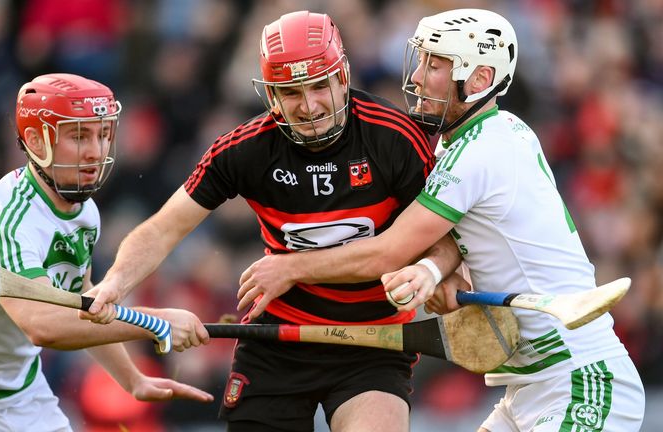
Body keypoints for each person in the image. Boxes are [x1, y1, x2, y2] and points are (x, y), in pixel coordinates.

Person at [237, 8, 646, 432]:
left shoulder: (477, 154)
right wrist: (432, 271)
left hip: (580, 380)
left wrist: (289, 267)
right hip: (527, 388)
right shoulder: (488, 135)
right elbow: (460, 239)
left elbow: (389, 250)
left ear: (479, 80)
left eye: (434, 65)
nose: (415, 78)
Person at [81, 10, 462, 432]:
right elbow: (162, 228)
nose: (310, 105)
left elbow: (445, 241)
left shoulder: (396, 137)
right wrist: (114, 284)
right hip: (278, 341)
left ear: (343, 77)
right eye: (292, 92)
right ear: (271, 95)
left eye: (320, 86)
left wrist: (436, 269)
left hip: (372, 343)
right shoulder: (245, 149)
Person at [0, 73, 213, 431]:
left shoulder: (84, 212)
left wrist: (132, 380)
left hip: (18, 391)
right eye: (79, 136)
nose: (97, 150)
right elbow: (42, 325)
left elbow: (83, 300)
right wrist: (154, 323)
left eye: (103, 134)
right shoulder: (10, 220)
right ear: (35, 140)